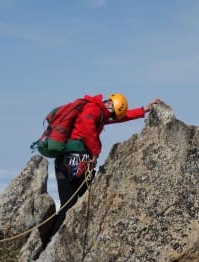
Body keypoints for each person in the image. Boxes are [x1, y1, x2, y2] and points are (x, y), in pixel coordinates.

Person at [51, 93, 162, 234]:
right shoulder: (93, 110)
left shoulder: (100, 111)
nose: (110, 108)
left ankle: (55, 237)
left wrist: (143, 110)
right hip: (73, 161)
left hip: (66, 161)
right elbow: (87, 130)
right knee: (73, 202)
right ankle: (54, 238)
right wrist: (96, 152)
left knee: (72, 202)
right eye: (112, 108)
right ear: (110, 106)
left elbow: (121, 117)